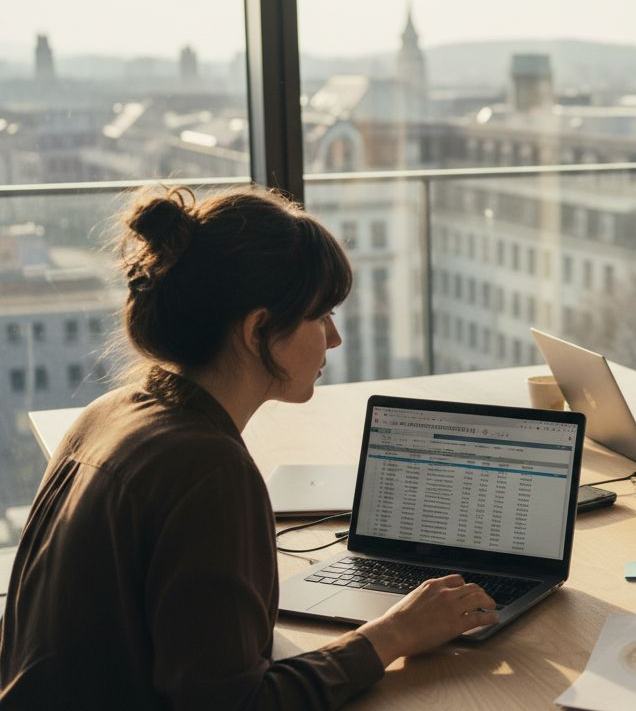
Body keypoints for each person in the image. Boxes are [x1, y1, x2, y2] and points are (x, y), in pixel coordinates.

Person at [0, 186, 498, 709]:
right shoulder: (206, 468)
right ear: (258, 329)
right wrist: (393, 634)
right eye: (322, 314)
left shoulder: (113, 410)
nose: (334, 338)